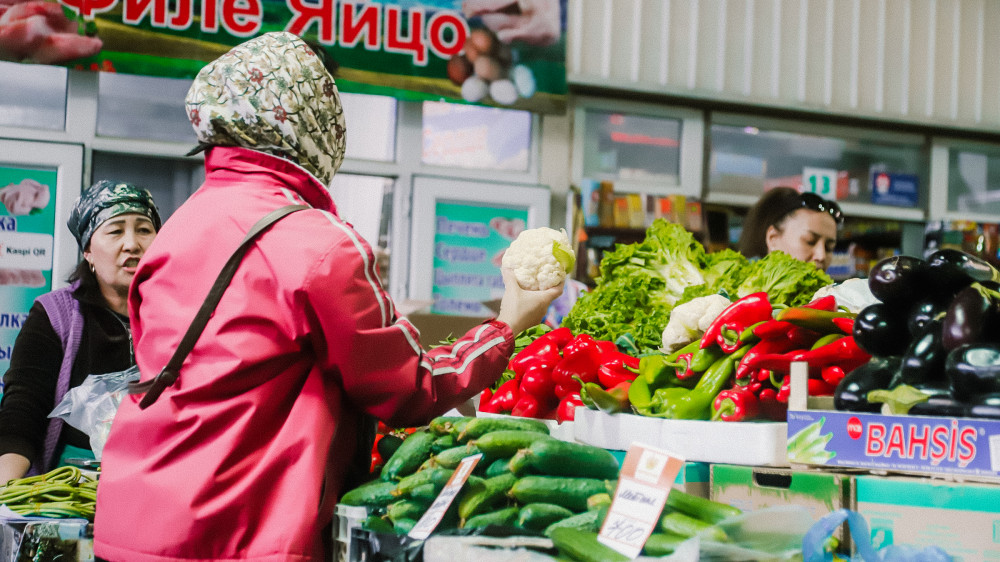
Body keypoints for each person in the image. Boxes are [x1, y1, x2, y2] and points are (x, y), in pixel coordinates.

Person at [93, 32, 562, 562]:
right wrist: (507, 326)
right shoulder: (318, 243)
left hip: (132, 519)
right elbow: (410, 388)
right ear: (310, 121)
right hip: (240, 534)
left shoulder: (180, 226)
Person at [0, 180, 160, 483]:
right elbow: (23, 409)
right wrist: (6, 494)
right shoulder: (54, 315)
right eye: (115, 231)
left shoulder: (177, 317)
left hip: (152, 484)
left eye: (143, 229)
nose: (132, 244)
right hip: (68, 490)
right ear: (88, 250)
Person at [738, 187, 843, 271]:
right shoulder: (732, 295)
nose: (821, 256)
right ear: (773, 239)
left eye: (829, 248)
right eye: (810, 241)